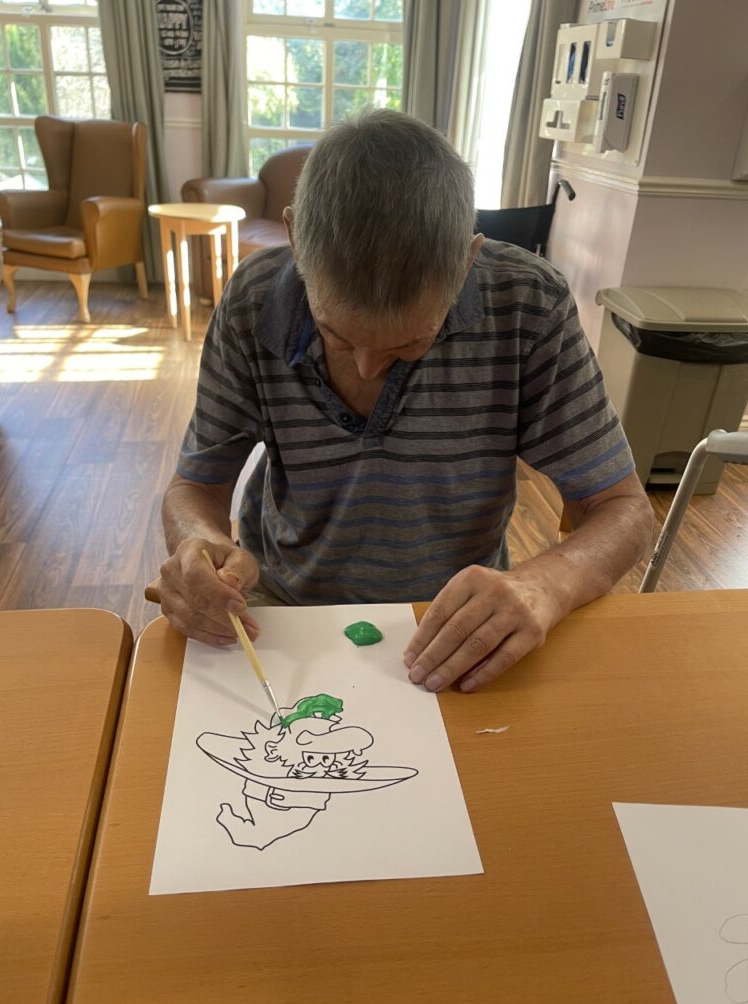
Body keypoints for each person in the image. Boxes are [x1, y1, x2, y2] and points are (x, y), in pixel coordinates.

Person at [159, 108, 653, 694]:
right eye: (337, 335)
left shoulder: (529, 304)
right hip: (283, 610)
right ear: (294, 239)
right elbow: (196, 486)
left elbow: (624, 509)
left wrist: (545, 583)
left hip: (458, 622)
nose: (367, 367)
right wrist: (199, 543)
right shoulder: (253, 299)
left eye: (410, 343)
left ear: (467, 260)